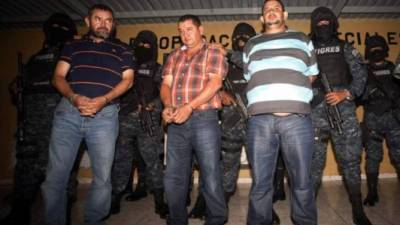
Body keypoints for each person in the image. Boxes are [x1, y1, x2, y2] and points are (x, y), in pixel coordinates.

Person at [40, 4, 134, 225]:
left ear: (114, 24)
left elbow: (128, 80)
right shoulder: (72, 45)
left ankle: (94, 220)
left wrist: (103, 100)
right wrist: (74, 98)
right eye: (98, 19)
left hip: (105, 116)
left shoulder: (123, 49)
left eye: (108, 20)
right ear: (88, 21)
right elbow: (58, 77)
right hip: (68, 113)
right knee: (55, 177)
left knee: (102, 177)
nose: (104, 24)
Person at [243, 1, 318, 224]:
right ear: (262, 17)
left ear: (284, 13)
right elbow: (251, 77)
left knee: (302, 182)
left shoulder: (303, 39)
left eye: (275, 8)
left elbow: (311, 74)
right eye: (267, 9)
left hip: (297, 120)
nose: (271, 11)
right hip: (259, 121)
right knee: (260, 184)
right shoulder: (251, 43)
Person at [0, 13, 77, 225]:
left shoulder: (72, 57)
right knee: (25, 166)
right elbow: (20, 85)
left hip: (60, 122)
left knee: (62, 167)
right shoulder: (36, 58)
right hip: (32, 122)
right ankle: (20, 209)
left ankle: (64, 212)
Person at [161, 14, 228, 225]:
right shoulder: (173, 56)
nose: (184, 34)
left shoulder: (214, 51)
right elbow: (166, 85)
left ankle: (216, 219)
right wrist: (168, 106)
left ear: (201, 30)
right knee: (174, 176)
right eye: (180, 30)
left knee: (210, 174)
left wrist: (189, 107)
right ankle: (176, 219)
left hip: (204, 119)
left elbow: (215, 83)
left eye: (189, 29)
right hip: (176, 122)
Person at [309, 6, 372, 225]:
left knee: (351, 161)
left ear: (334, 24)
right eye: (318, 21)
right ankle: (308, 210)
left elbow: (361, 76)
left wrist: (345, 93)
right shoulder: (307, 49)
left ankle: (357, 209)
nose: (323, 24)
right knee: (312, 165)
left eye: (327, 21)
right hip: (315, 112)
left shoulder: (345, 47)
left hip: (342, 111)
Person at [110, 30, 168, 218]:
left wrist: (153, 106)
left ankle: (159, 200)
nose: (143, 48)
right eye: (140, 44)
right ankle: (115, 198)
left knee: (153, 161)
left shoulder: (158, 69)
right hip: (125, 119)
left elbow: (165, 94)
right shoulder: (126, 66)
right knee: (121, 159)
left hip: (148, 119)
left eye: (147, 45)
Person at [360, 34, 400, 206]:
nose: (376, 51)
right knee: (373, 157)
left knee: (398, 155)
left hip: (394, 118)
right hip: (372, 119)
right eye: (373, 49)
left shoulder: (394, 69)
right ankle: (372, 192)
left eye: (379, 48)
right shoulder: (363, 71)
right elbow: (357, 95)